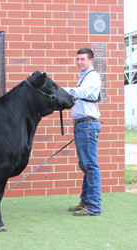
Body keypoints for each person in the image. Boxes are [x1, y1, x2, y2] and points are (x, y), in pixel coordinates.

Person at [64, 47, 102, 216]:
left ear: (90, 60)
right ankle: (85, 202)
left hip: (86, 125)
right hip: (82, 125)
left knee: (90, 166)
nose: (79, 62)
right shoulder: (85, 76)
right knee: (86, 165)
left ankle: (93, 207)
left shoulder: (92, 76)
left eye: (83, 59)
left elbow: (83, 92)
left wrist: (62, 90)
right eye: (78, 59)